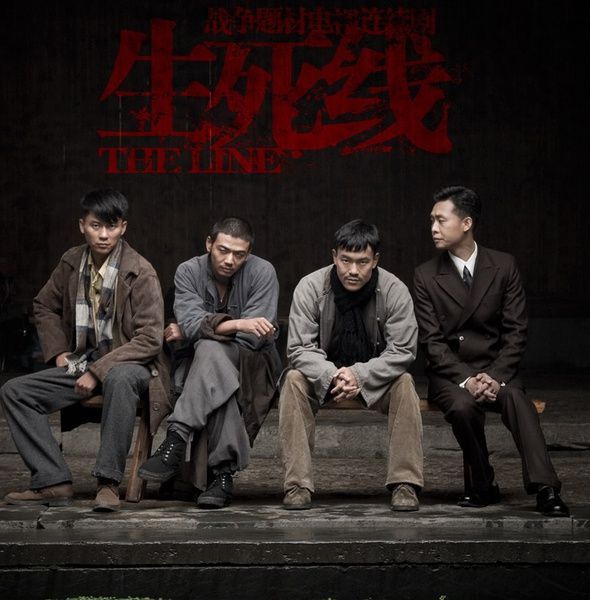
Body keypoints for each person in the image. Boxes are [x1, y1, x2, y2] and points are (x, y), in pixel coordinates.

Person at [1, 188, 169, 512]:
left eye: (111, 226)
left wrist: (97, 371)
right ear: (82, 226)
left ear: (123, 227)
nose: (104, 235)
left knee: (119, 379)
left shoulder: (140, 271)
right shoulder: (72, 262)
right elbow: (43, 305)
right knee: (15, 392)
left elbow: (150, 339)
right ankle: (52, 480)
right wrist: (59, 351)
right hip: (84, 361)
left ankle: (108, 482)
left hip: (134, 364)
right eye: (96, 226)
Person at [413, 185, 569, 516]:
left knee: (518, 401)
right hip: (450, 374)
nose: (433, 228)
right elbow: (431, 342)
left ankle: (546, 488)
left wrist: (495, 376)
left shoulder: (503, 265)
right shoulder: (425, 275)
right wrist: (467, 379)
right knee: (462, 406)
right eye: (432, 221)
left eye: (441, 220)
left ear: (466, 223)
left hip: (499, 368)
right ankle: (482, 484)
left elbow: (516, 331)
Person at [279, 220, 424, 511]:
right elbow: (298, 348)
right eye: (345, 260)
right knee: (293, 380)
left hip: (374, 379)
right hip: (323, 378)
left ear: (375, 260)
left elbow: (403, 350)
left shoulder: (394, 289)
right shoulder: (311, 286)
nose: (353, 270)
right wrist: (333, 375)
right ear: (334, 256)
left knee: (405, 383)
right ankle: (297, 485)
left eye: (362, 262)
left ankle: (405, 483)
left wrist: (359, 374)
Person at [138, 217, 281, 509]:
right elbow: (191, 324)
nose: (230, 260)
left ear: (249, 253)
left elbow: (252, 339)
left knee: (208, 349)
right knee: (214, 364)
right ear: (209, 244)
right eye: (223, 250)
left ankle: (177, 437)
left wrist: (202, 330)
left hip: (253, 364)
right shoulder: (188, 271)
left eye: (239, 254)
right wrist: (238, 323)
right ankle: (223, 478)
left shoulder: (263, 271)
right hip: (203, 366)